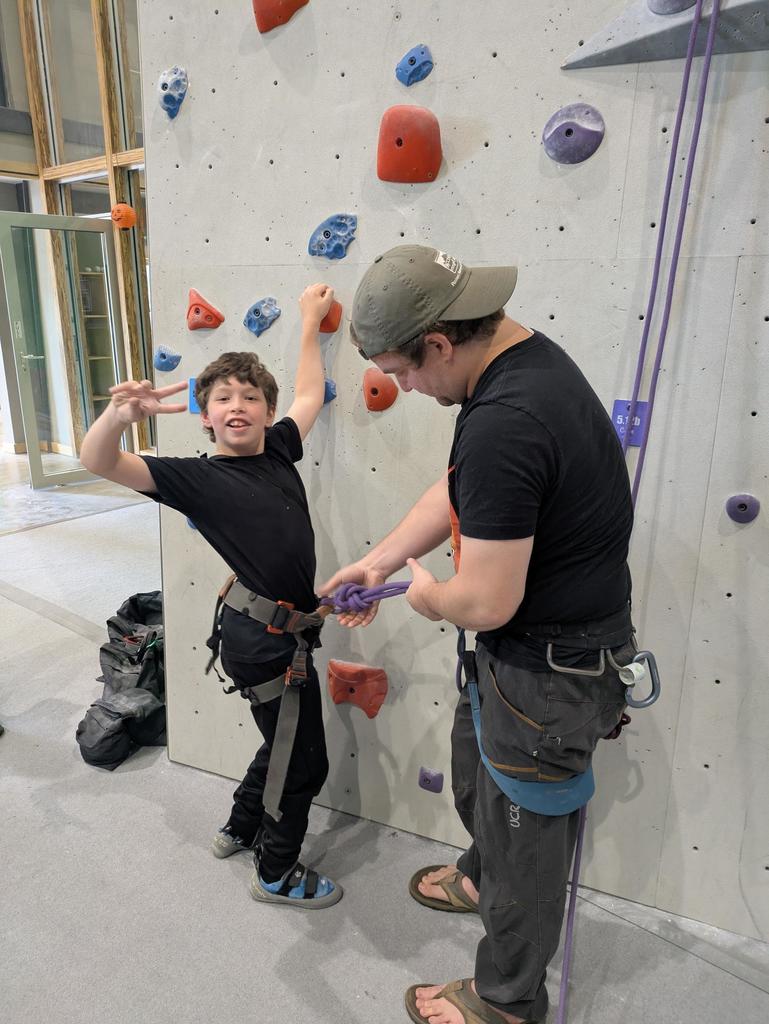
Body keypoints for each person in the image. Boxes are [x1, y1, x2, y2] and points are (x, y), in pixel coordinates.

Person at [320, 245, 636, 1023]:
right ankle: (478, 873)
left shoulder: (506, 418)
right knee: (479, 785)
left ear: (438, 342)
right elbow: (461, 485)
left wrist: (423, 595)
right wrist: (383, 558)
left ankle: (505, 1001)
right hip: (519, 663)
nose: (405, 388)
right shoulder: (519, 363)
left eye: (403, 371)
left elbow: (485, 601)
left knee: (528, 846)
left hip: (543, 674)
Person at [80, 283, 342, 909]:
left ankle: (240, 826)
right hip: (260, 639)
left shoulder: (280, 446)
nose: (238, 405)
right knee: (303, 763)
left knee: (281, 740)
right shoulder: (196, 477)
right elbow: (99, 461)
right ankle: (275, 872)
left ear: (264, 411)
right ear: (204, 414)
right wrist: (119, 417)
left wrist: (308, 325)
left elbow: (307, 395)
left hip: (281, 632)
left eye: (251, 397)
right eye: (223, 397)